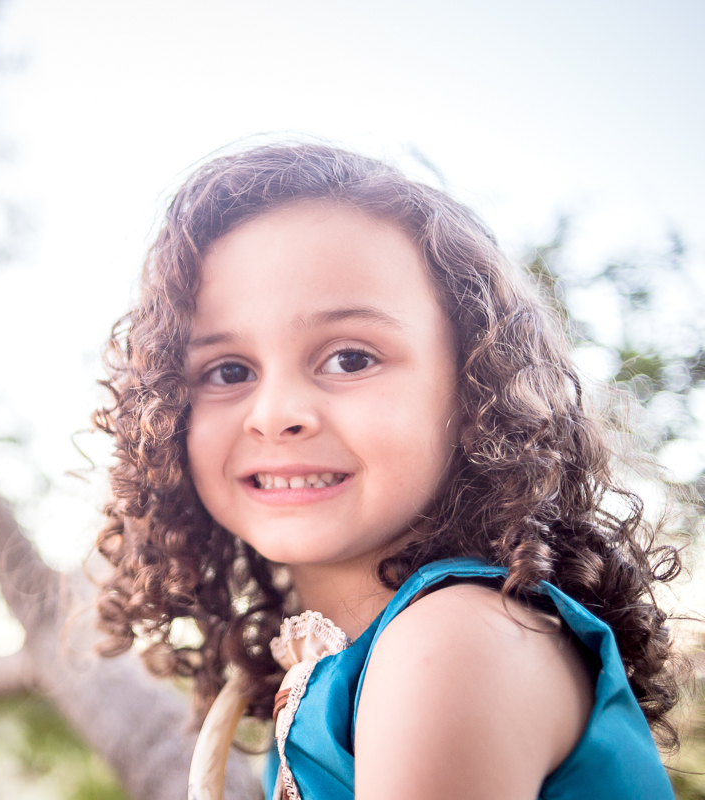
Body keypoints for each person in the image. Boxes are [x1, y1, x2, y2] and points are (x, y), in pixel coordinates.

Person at [92, 143, 681, 799]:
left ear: (473, 387)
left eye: (349, 359)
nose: (277, 414)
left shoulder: (451, 646)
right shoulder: (340, 671)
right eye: (228, 371)